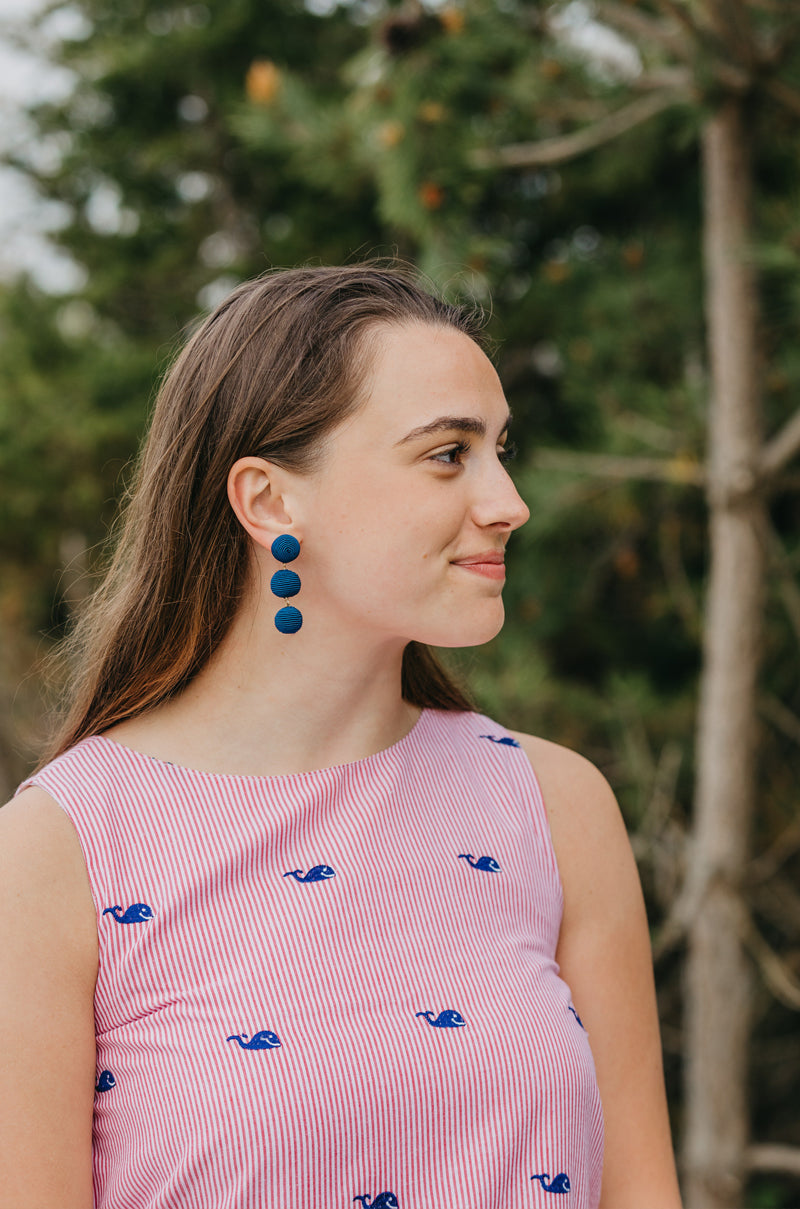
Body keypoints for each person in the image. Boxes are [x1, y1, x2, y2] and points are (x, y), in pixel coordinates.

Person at [0, 264, 682, 1209]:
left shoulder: (555, 806)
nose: (507, 501)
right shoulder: (61, 851)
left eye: (500, 449)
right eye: (448, 453)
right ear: (270, 501)